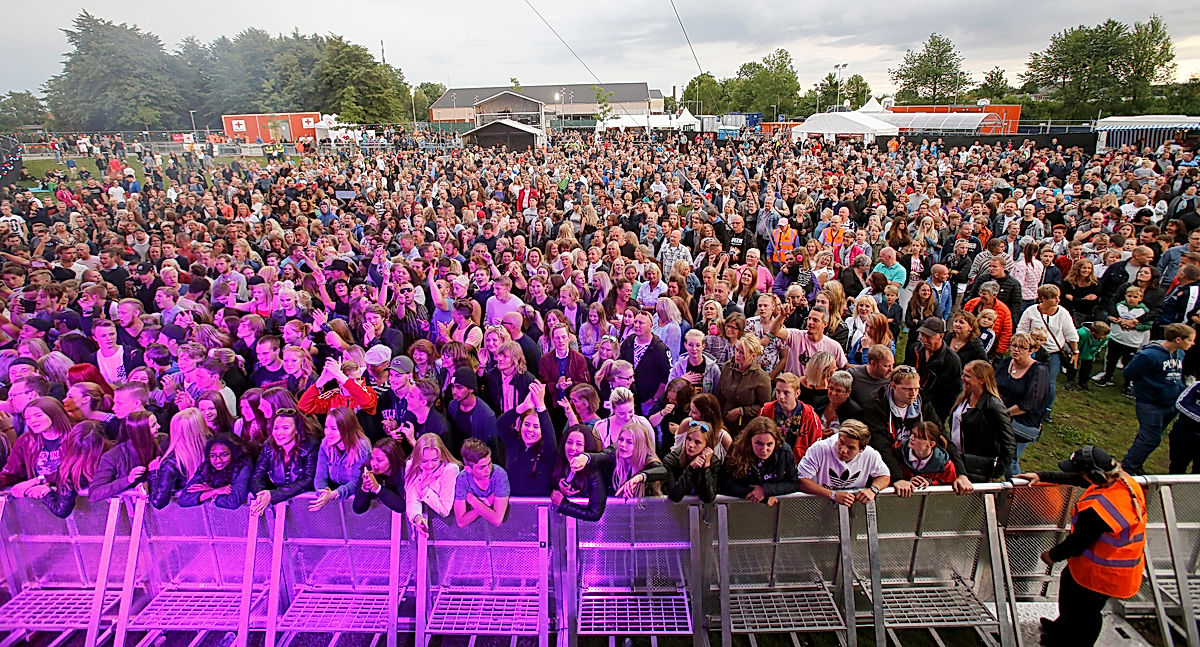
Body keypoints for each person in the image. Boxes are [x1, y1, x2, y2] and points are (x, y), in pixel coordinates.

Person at [1018, 447, 1147, 647]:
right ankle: (1061, 629)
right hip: (1103, 567)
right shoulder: (1123, 482)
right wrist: (1041, 476)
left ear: (1095, 475)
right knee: (1070, 597)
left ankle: (1068, 642)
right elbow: (1079, 479)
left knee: (1085, 614)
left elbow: (1078, 542)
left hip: (1102, 575)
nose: (1077, 475)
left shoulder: (1099, 509)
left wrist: (1052, 555)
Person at [1121, 323, 1194, 475]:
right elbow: (1129, 373)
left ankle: (1135, 464)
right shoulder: (1149, 355)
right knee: (1150, 439)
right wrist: (1150, 386)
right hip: (1150, 403)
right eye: (1190, 340)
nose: (1193, 343)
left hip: (1171, 403)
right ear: (1178, 339)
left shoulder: (1180, 353)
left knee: (1149, 438)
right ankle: (1128, 468)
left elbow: (1176, 376)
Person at [947, 360, 1015, 482]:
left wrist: (996, 472)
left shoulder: (994, 406)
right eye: (963, 374)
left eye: (968, 376)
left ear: (982, 380)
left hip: (976, 468)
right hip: (956, 461)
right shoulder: (964, 397)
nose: (962, 378)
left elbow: (1008, 443)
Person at [797, 420, 891, 505]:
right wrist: (832, 494)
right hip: (818, 505)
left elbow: (885, 476)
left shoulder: (870, 454)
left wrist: (873, 490)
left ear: (861, 450)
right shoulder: (819, 449)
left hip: (852, 507)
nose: (843, 450)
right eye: (841, 442)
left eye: (851, 448)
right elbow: (801, 480)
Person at [995, 333, 1051, 477]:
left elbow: (1031, 402)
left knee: (1010, 461)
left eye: (1022, 347)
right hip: (999, 417)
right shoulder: (1006, 363)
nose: (1016, 350)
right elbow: (993, 385)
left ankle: (1017, 488)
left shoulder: (1039, 371)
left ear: (1031, 350)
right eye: (1013, 345)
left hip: (1021, 421)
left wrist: (1005, 414)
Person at [571, 418, 666, 500]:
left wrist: (639, 477)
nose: (623, 445)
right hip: (618, 508)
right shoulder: (615, 450)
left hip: (646, 510)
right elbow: (601, 456)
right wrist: (585, 457)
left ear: (639, 446)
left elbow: (662, 471)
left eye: (629, 442)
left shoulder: (647, 458)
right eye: (621, 439)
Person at [250, 408, 320, 515]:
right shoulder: (268, 447)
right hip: (282, 507)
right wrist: (261, 495)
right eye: (276, 428)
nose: (279, 433)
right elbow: (257, 476)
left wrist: (273, 495)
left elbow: (308, 480)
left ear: (296, 430)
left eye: (285, 428)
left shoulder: (311, 446)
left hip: (308, 507)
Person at [718, 416, 797, 505]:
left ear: (776, 441)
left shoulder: (784, 452)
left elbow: (793, 483)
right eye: (759, 443)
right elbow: (725, 483)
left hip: (773, 507)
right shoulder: (737, 449)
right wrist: (753, 492)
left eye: (769, 444)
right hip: (741, 505)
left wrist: (765, 490)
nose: (764, 450)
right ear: (749, 440)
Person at [496, 381, 557, 496]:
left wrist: (541, 406)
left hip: (538, 504)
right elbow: (500, 424)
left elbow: (550, 440)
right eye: (527, 424)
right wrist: (523, 407)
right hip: (512, 502)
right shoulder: (513, 442)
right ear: (521, 425)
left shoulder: (546, 450)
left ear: (543, 430)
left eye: (536, 427)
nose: (530, 430)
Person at [149, 407, 211, 509]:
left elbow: (158, 501)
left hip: (184, 513)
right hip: (213, 510)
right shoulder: (215, 448)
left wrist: (153, 473)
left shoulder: (172, 463)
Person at [311, 407, 371, 511]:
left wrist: (335, 494)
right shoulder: (325, 443)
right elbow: (320, 476)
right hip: (334, 497)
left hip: (354, 498)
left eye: (334, 429)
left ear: (347, 428)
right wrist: (323, 493)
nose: (327, 433)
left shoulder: (362, 448)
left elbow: (357, 482)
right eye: (326, 427)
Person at [404, 433, 461, 536]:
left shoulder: (450, 469)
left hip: (448, 526)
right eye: (424, 461)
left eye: (435, 460)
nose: (429, 465)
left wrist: (424, 488)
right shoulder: (411, 465)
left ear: (441, 456)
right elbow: (412, 499)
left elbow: (444, 510)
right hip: (420, 522)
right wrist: (418, 518)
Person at [178, 433, 253, 509]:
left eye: (224, 455)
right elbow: (183, 499)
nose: (218, 460)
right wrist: (214, 491)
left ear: (234, 454)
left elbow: (232, 502)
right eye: (213, 456)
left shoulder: (244, 466)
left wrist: (209, 491)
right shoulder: (206, 466)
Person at [715, 336, 771, 435]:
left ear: (753, 356)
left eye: (742, 353)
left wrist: (742, 411)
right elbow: (719, 396)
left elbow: (765, 407)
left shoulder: (761, 378)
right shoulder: (727, 367)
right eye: (737, 350)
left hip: (746, 426)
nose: (737, 354)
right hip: (723, 420)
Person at [911, 317, 963, 422]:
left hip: (935, 410)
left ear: (941, 336)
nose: (923, 339)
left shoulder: (951, 361)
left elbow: (953, 393)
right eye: (922, 335)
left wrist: (939, 416)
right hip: (911, 402)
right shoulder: (915, 350)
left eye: (928, 336)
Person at [453, 438, 510, 528]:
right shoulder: (462, 478)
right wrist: (487, 503)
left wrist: (473, 500)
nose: (488, 470)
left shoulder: (499, 474)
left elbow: (497, 520)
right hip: (474, 529)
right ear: (468, 469)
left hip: (504, 527)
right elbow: (461, 522)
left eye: (489, 463)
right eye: (482, 467)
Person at [661, 419, 720, 502]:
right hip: (675, 509)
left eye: (697, 442)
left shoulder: (714, 462)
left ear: (707, 446)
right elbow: (674, 496)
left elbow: (708, 498)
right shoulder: (671, 460)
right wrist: (690, 468)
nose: (691, 445)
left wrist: (706, 467)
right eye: (689, 439)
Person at [891, 422, 959, 491]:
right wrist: (905, 481)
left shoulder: (946, 466)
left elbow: (949, 490)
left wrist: (931, 482)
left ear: (931, 444)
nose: (911, 438)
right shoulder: (897, 452)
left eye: (917, 437)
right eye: (912, 434)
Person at [353, 438, 408, 515]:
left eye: (379, 460)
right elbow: (358, 509)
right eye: (372, 458)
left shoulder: (403, 472)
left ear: (392, 460)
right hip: (377, 517)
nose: (373, 464)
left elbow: (401, 506)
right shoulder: (367, 470)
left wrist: (377, 488)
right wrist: (364, 489)